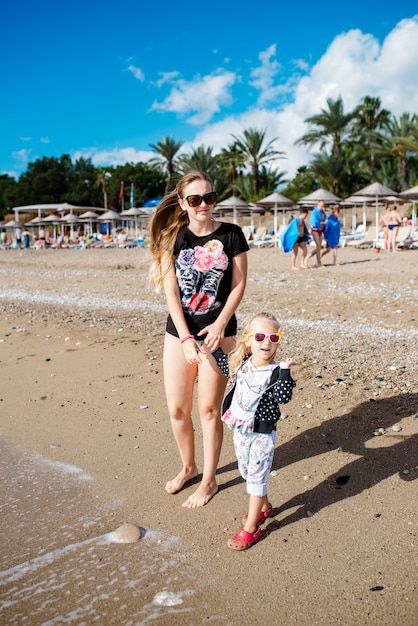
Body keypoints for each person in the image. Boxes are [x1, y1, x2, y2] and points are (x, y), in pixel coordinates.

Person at [149, 171, 249, 508]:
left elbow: (238, 284)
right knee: (178, 409)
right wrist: (185, 338)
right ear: (183, 203)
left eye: (209, 197)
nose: (203, 204)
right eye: (195, 199)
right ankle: (189, 468)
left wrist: (220, 324)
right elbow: (171, 292)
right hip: (180, 334)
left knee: (208, 409)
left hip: (219, 334)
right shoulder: (173, 238)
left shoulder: (232, 234)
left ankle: (209, 481)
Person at [221, 311, 296, 550]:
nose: (267, 342)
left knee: (256, 477)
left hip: (262, 434)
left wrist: (285, 371)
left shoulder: (275, 371)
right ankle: (265, 508)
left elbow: (284, 397)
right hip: (240, 430)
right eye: (261, 336)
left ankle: (251, 529)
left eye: (273, 338)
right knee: (245, 471)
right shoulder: (244, 364)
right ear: (248, 339)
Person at [306, 199, 327, 267]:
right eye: (321, 205)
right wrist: (323, 223)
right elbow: (314, 222)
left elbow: (326, 221)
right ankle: (307, 259)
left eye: (323, 205)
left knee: (319, 247)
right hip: (315, 230)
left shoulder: (323, 213)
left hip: (320, 230)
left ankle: (318, 262)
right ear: (318, 205)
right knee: (318, 245)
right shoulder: (315, 212)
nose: (322, 206)